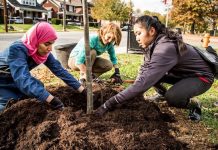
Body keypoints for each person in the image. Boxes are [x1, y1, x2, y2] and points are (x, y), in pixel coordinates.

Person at [95, 15, 215, 121]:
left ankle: (193, 104)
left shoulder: (165, 48)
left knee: (173, 97)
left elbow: (146, 81)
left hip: (200, 77)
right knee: (151, 76)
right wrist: (137, 95)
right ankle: (163, 94)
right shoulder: (152, 45)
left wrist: (109, 104)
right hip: (182, 74)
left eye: (139, 33)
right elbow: (144, 71)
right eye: (135, 34)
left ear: (152, 31)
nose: (136, 38)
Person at [0, 22, 87, 112]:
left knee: (38, 87)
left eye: (52, 44)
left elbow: (60, 70)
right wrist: (51, 100)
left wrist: (82, 89)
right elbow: (23, 80)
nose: (50, 48)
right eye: (47, 44)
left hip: (16, 78)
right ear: (36, 40)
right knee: (7, 106)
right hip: (3, 80)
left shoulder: (43, 53)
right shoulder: (17, 49)